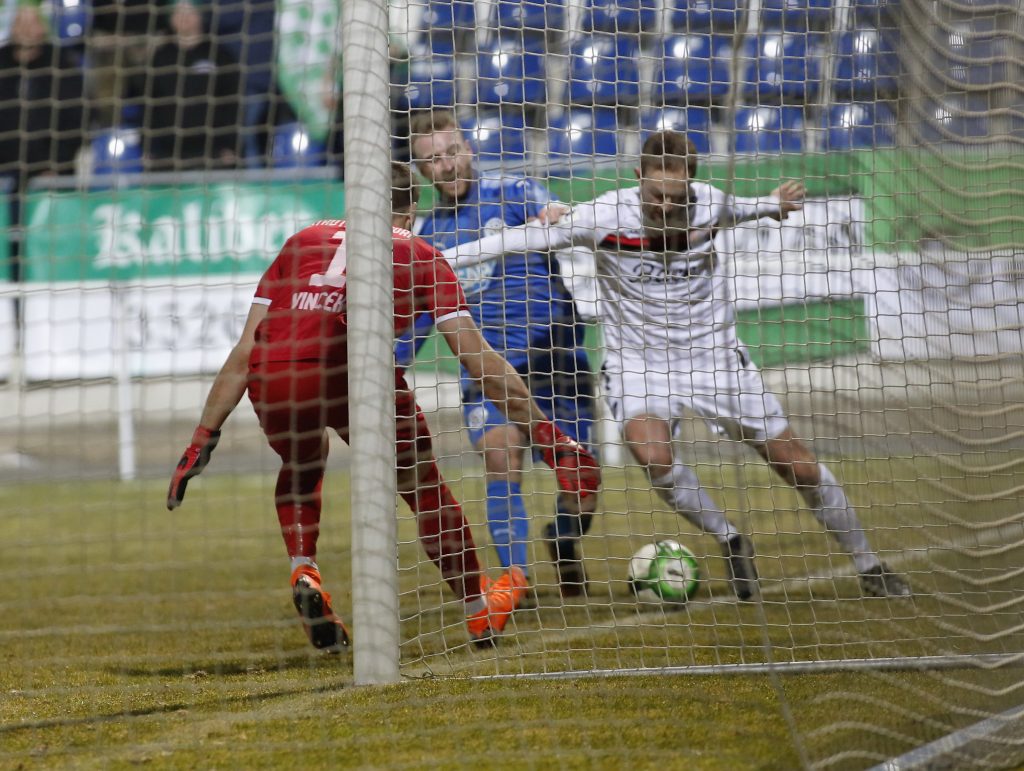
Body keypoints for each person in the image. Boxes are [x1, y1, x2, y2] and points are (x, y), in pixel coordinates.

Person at [442, 130, 912, 600]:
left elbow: (748, 207)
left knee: (801, 468)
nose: (666, 206)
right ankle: (730, 539)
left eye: (676, 195)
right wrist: (437, 259)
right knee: (653, 455)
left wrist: (774, 203)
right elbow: (507, 243)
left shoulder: (711, 203)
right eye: (656, 194)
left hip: (717, 360)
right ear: (637, 178)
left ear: (693, 183)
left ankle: (869, 565)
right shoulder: (603, 215)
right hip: (638, 364)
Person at [167, 162, 600, 652]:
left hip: (274, 373)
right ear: (411, 208)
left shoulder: (302, 241)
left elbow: (245, 350)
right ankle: (478, 613)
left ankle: (304, 568)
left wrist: (204, 436)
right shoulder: (420, 254)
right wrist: (552, 440)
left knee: (303, 460)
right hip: (356, 375)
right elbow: (479, 362)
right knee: (422, 484)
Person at [402, 108, 598, 600]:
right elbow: (423, 318)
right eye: (431, 161)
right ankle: (516, 580)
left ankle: (563, 537)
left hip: (555, 357)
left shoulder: (513, 192)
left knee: (582, 481)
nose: (445, 167)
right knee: (501, 455)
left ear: (467, 147)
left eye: (450, 153)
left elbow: (555, 213)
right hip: (489, 373)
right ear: (421, 170)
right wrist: (393, 359)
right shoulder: (426, 239)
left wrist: (556, 215)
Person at [0, 3, 84, 281]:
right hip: (5, 174)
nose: (25, 28)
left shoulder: (59, 63)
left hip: (48, 175)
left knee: (47, 252)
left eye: (31, 21)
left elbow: (78, 119)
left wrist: (56, 165)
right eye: (19, 21)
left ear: (42, 26)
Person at [130, 0, 240, 171]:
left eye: (189, 11)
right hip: (167, 155)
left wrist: (229, 145)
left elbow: (232, 104)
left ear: (200, 14)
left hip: (211, 153)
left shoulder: (220, 56)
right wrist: (148, 147)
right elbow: (148, 106)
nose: (184, 18)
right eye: (178, 12)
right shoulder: (159, 58)